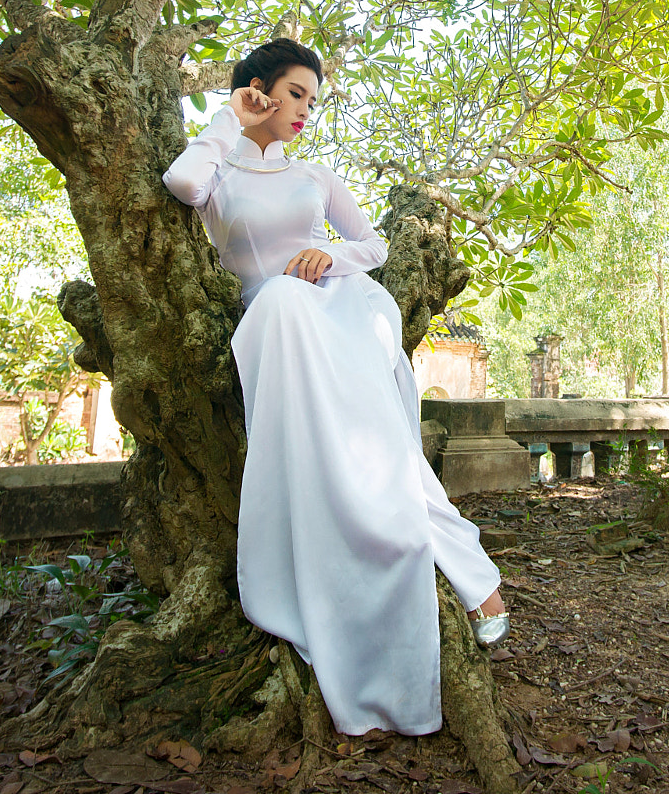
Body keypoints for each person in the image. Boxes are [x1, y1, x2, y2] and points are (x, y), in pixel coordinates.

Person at [162, 37, 508, 738]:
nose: (304, 111)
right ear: (258, 88)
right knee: (284, 305)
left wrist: (333, 252)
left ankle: (469, 571)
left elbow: (374, 244)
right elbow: (182, 185)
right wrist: (229, 117)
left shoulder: (314, 173)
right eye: (294, 94)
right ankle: (415, 575)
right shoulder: (219, 166)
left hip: (339, 306)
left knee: (381, 443)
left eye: (312, 101)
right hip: (273, 318)